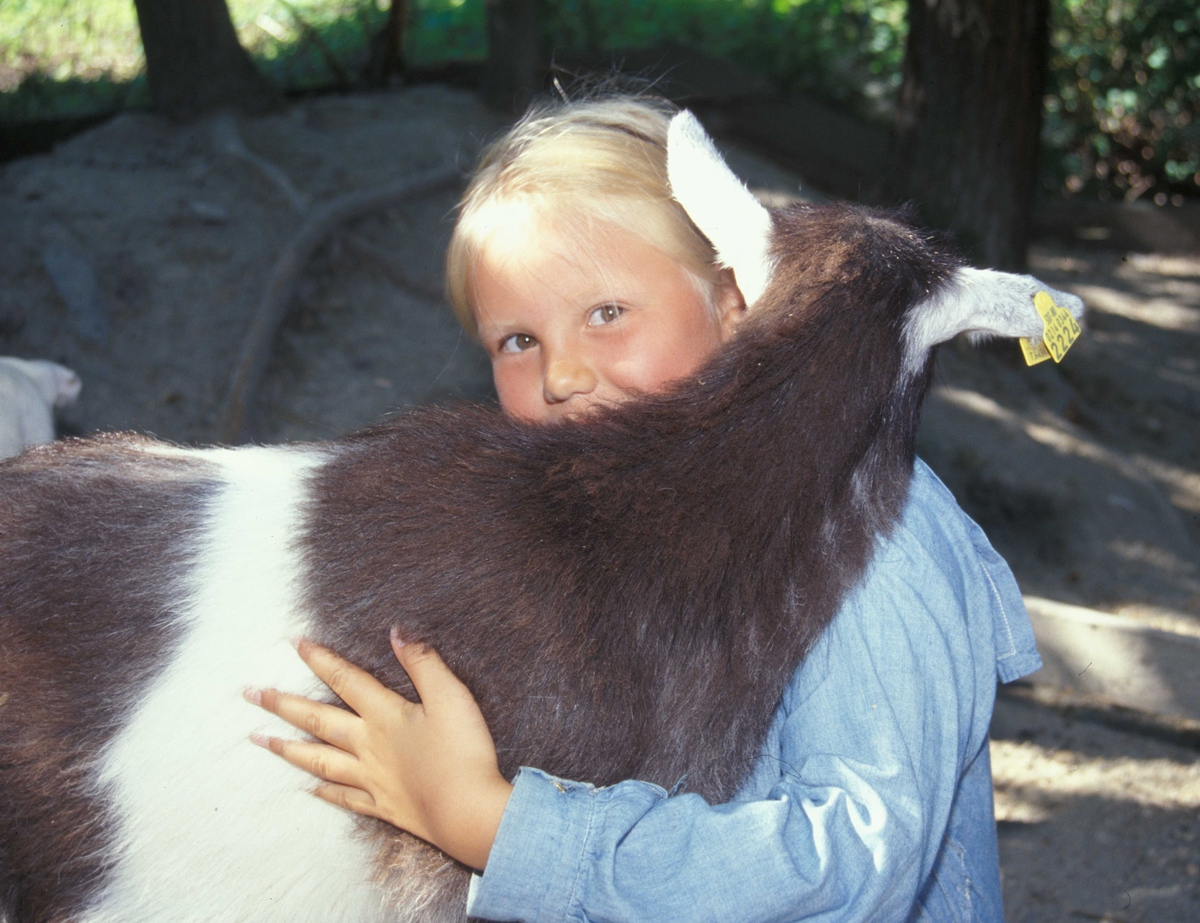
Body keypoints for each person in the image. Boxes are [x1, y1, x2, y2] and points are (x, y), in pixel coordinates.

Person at [245, 95, 1041, 922]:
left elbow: (852, 864)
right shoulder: (613, 526)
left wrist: (495, 825)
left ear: (734, 300)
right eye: (518, 340)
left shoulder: (871, 531)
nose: (561, 375)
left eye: (607, 314)